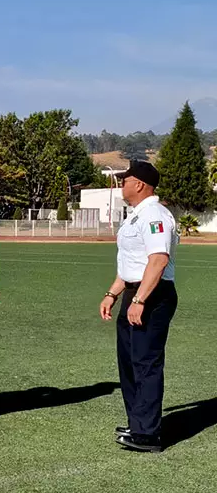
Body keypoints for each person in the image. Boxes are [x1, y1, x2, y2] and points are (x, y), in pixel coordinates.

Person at [100, 160, 177, 453]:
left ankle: (148, 434)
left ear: (140, 184)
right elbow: (132, 264)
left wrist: (140, 300)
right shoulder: (136, 216)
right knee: (130, 363)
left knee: (145, 363)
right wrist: (113, 293)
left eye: (125, 179)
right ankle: (138, 423)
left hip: (152, 297)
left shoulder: (154, 215)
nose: (122, 184)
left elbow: (158, 261)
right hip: (135, 292)